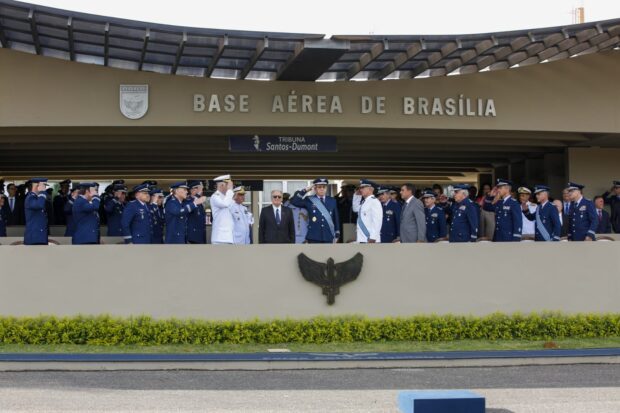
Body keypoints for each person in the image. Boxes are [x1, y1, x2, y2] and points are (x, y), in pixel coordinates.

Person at [290, 178, 340, 243]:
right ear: (315, 188)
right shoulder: (309, 199)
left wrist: (337, 231)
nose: (322, 189)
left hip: (328, 235)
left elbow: (335, 217)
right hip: (314, 236)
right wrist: (305, 190)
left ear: (326, 188)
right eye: (319, 187)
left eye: (324, 187)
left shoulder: (332, 200)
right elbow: (294, 202)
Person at [352, 179, 383, 243]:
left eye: (363, 188)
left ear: (370, 189)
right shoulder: (364, 202)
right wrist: (357, 195)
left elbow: (377, 221)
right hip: (362, 239)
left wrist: (373, 237)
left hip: (370, 240)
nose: (360, 190)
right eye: (360, 188)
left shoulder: (374, 201)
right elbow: (355, 209)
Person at [210, 175, 235, 244]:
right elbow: (225, 204)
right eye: (228, 185)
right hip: (219, 237)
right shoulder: (215, 196)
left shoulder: (227, 197)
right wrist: (230, 191)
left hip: (229, 237)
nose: (230, 187)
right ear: (222, 185)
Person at [24, 178, 49, 245]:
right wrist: (42, 192)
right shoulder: (30, 198)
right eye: (44, 186)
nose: (45, 188)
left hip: (39, 236)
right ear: (38, 186)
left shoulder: (36, 198)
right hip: (34, 237)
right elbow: (39, 205)